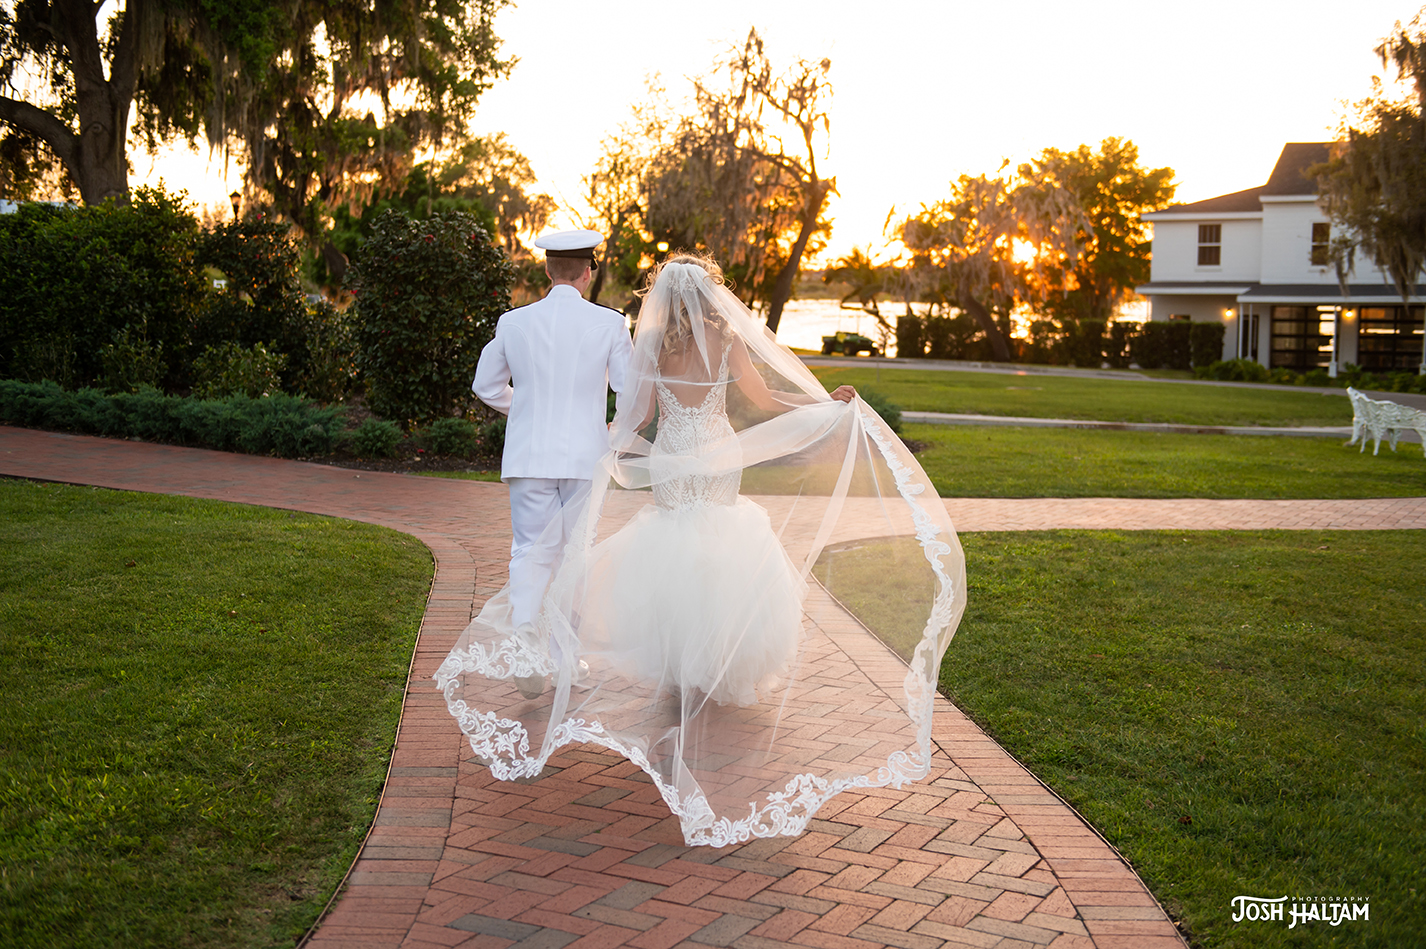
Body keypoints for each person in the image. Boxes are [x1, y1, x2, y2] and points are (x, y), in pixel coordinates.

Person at [438, 253, 967, 847]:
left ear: (661, 297)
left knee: (674, 546)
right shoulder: (725, 338)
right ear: (711, 294)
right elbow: (763, 399)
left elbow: (637, 414)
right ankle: (713, 663)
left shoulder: (652, 344)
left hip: (672, 454)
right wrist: (823, 402)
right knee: (719, 545)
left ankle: (678, 667)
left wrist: (606, 444)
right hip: (718, 451)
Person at [470, 229, 633, 674]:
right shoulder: (611, 323)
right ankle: (564, 659)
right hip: (586, 456)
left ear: (547, 269)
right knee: (576, 552)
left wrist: (525, 407)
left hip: (528, 455)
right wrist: (615, 430)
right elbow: (629, 390)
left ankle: (526, 636)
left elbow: (485, 386)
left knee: (529, 549)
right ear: (587, 273)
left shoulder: (513, 322)